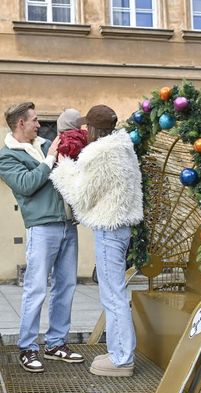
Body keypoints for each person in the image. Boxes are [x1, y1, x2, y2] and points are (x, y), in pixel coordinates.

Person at [50, 105, 143, 377]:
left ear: (92, 130)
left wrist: (62, 165)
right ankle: (119, 351)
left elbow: (80, 196)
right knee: (114, 293)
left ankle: (122, 357)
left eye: (85, 127)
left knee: (112, 295)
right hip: (120, 226)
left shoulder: (101, 155)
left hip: (109, 228)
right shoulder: (123, 148)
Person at [0, 102, 84, 373]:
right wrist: (49, 159)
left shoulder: (47, 144)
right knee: (35, 288)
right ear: (20, 123)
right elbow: (27, 185)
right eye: (34, 120)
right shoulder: (6, 157)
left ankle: (56, 343)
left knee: (66, 286)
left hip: (68, 224)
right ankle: (28, 347)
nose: (38, 124)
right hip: (42, 227)